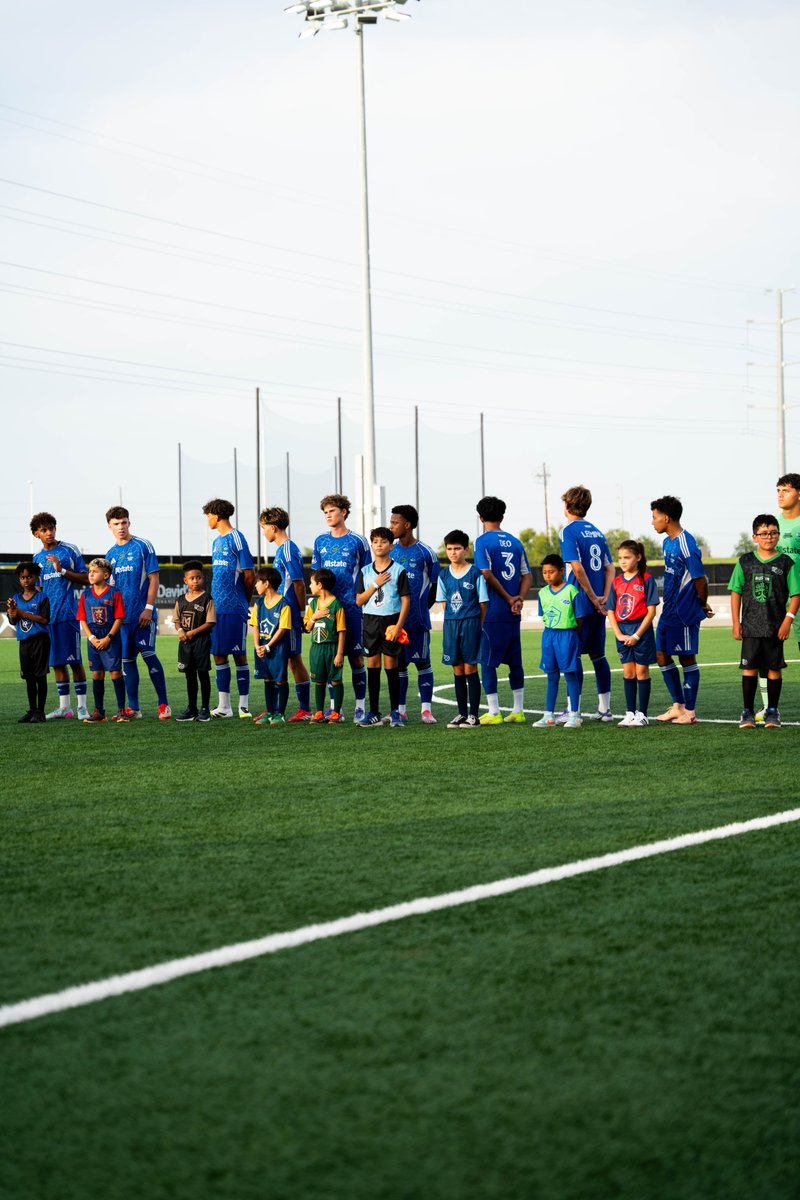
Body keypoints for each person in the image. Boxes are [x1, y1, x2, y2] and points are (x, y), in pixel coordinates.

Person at [729, 513, 800, 729]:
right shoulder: (745, 561)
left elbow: (796, 594)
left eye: (773, 533)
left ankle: (772, 712)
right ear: (755, 536)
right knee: (749, 669)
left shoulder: (786, 563)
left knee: (773, 669)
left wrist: (788, 620)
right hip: (750, 626)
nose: (769, 537)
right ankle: (747, 712)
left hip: (775, 627)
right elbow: (735, 592)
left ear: (778, 535)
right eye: (764, 533)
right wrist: (736, 622)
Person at [650, 495, 713, 724]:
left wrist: (702, 603)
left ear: (666, 518)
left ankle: (691, 712)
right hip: (668, 612)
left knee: (687, 658)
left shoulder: (687, 542)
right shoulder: (667, 542)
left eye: (655, 517)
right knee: (661, 655)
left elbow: (700, 578)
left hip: (684, 613)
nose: (652, 522)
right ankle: (678, 705)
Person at [105, 505, 171, 721]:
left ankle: (163, 705)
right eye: (116, 524)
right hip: (122, 620)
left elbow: (154, 578)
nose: (121, 527)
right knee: (127, 661)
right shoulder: (110, 554)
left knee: (149, 655)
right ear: (109, 527)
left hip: (143, 615)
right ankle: (134, 708)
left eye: (124, 522)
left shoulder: (143, 546)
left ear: (129, 523)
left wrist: (148, 608)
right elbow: (111, 589)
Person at [311, 494, 370, 721]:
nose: (328, 515)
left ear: (344, 512)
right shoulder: (320, 541)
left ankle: (360, 707)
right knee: (328, 660)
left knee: (355, 658)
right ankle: (336, 709)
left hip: (351, 608)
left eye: (332, 511)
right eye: (325, 512)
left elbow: (367, 572)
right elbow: (316, 575)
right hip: (326, 611)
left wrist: (362, 600)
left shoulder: (358, 541)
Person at [474, 495, 532, 725]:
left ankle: (494, 711)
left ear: (480, 517)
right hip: (513, 614)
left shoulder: (482, 542)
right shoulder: (515, 542)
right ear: (502, 516)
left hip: (493, 612)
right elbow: (526, 575)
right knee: (515, 662)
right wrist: (518, 598)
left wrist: (508, 598)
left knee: (487, 662)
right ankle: (518, 711)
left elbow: (486, 573)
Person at [559, 485, 615, 721]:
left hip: (579, 600)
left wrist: (592, 597)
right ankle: (605, 710)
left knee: (574, 655)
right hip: (598, 601)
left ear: (567, 506)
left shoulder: (568, 531)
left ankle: (574, 711)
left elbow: (578, 568)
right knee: (598, 655)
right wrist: (604, 596)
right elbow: (610, 567)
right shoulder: (597, 532)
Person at [30, 511, 89, 720]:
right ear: (37, 533)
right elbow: (37, 589)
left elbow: (86, 578)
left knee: (75, 661)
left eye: (52, 528)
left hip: (67, 615)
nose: (49, 533)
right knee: (56, 663)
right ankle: (65, 707)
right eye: (44, 530)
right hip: (47, 619)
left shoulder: (69, 550)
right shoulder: (36, 558)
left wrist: (61, 569)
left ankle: (82, 706)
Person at [203, 498, 255, 718]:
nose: (207, 519)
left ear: (216, 514)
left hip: (234, 607)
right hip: (217, 608)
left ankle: (243, 705)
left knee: (239, 655)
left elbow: (249, 573)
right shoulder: (216, 542)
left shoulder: (237, 538)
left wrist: (244, 599)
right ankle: (224, 706)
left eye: (208, 515)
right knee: (218, 655)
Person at [259, 506, 312, 721]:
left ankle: (305, 709)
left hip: (289, 614)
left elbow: (298, 584)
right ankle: (273, 709)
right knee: (285, 659)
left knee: (294, 660)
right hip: (279, 613)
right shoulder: (282, 549)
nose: (264, 533)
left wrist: (300, 614)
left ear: (273, 527)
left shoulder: (288, 549)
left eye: (264, 528)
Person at [389, 504, 440, 723]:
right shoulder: (390, 551)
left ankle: (426, 710)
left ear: (407, 525)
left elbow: (434, 587)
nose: (390, 527)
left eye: (394, 523)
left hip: (418, 622)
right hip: (394, 622)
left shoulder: (426, 553)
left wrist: (419, 611)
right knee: (399, 664)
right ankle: (401, 710)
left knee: (423, 663)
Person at [356, 527, 410, 728]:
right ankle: (373, 712)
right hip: (370, 621)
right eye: (376, 541)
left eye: (384, 541)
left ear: (391, 545)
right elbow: (359, 600)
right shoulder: (365, 571)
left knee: (391, 665)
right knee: (373, 666)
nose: (379, 545)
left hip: (390, 622)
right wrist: (376, 584)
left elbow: (406, 601)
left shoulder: (399, 570)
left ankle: (395, 711)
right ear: (371, 545)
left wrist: (398, 626)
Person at [436, 529, 488, 728]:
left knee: (470, 668)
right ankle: (461, 714)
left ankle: (473, 715)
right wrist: (452, 619)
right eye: (449, 549)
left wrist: (477, 624)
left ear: (466, 549)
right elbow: (443, 602)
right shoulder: (443, 574)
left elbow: (483, 602)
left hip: (471, 623)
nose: (453, 552)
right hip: (451, 625)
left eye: (457, 548)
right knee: (457, 668)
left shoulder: (475, 573)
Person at [605, 540, 659, 727]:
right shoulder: (616, 582)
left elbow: (651, 611)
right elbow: (611, 610)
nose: (623, 561)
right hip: (622, 631)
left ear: (638, 557)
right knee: (628, 673)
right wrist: (618, 634)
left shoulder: (646, 579)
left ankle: (642, 714)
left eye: (627, 557)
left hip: (641, 631)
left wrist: (637, 635)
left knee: (641, 672)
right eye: (620, 558)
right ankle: (629, 713)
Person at [533, 554, 582, 728]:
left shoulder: (571, 591)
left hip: (567, 636)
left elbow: (580, 618)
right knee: (551, 675)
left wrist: (570, 634)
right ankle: (548, 715)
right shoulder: (542, 593)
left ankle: (575, 714)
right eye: (545, 572)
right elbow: (544, 615)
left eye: (551, 572)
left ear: (561, 571)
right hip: (549, 636)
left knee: (569, 674)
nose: (547, 575)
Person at [76, 558, 128, 724]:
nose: (91, 574)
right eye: (89, 572)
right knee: (97, 673)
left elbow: (119, 618)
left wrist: (108, 638)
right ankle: (99, 712)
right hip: (93, 638)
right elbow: (82, 619)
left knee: (115, 672)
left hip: (110, 636)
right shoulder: (86, 595)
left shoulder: (115, 593)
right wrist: (91, 638)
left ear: (105, 575)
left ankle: (122, 711)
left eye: (95, 571)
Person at [6, 561, 50, 723]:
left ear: (36, 578)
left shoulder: (42, 597)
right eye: (23, 577)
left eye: (29, 577)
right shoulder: (16, 598)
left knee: (40, 676)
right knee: (29, 677)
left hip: (40, 641)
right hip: (24, 642)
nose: (26, 580)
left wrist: (22, 613)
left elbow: (44, 620)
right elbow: (13, 621)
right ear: (19, 579)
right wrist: (12, 611)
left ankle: (41, 711)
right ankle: (32, 710)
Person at [173, 560, 216, 723]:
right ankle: (192, 708)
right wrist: (180, 630)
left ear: (203, 578)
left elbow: (210, 622)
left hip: (201, 642)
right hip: (185, 643)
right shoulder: (180, 599)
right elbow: (176, 620)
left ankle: (205, 708)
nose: (195, 581)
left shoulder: (206, 599)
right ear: (185, 580)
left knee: (203, 674)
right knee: (189, 676)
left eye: (198, 577)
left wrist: (192, 633)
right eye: (192, 578)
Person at [250, 565, 292, 726]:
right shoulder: (259, 603)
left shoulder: (283, 603)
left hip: (277, 649)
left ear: (266, 583)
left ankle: (280, 714)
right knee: (267, 680)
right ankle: (269, 712)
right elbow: (255, 625)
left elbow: (283, 628)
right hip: (261, 648)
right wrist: (257, 646)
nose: (256, 585)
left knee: (280, 680)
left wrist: (268, 646)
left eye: (258, 582)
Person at [304, 568, 347, 723]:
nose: (310, 586)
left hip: (332, 648)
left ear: (320, 585)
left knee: (335, 680)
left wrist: (340, 653)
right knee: (319, 680)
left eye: (311, 583)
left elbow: (342, 630)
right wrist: (314, 617)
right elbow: (307, 628)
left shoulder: (337, 605)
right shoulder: (313, 604)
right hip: (316, 648)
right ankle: (319, 713)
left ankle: (336, 713)